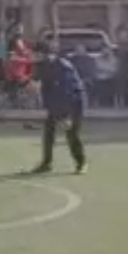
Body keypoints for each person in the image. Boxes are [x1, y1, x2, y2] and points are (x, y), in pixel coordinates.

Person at [31, 39, 87, 175]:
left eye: (37, 54)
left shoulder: (63, 67)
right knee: (48, 132)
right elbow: (38, 83)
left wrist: (65, 116)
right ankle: (47, 163)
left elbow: (66, 91)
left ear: (46, 54)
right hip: (54, 104)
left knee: (71, 134)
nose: (34, 56)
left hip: (73, 103)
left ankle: (81, 163)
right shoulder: (40, 65)